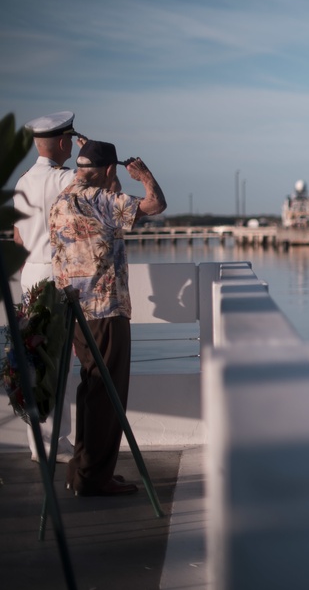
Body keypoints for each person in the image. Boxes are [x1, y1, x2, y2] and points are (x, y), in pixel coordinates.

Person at [50, 140, 166, 496]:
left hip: (75, 311)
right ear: (110, 171)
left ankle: (82, 471)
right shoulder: (99, 200)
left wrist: (108, 171)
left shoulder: (62, 199)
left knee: (91, 389)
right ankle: (94, 479)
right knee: (107, 394)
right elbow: (155, 205)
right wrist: (145, 176)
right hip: (105, 310)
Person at [12, 111, 83, 463]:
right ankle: (58, 442)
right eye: (69, 139)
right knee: (56, 362)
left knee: (33, 359)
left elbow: (18, 237)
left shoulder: (23, 181)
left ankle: (37, 442)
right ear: (60, 142)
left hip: (29, 274)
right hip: (56, 276)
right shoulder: (67, 179)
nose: (70, 145)